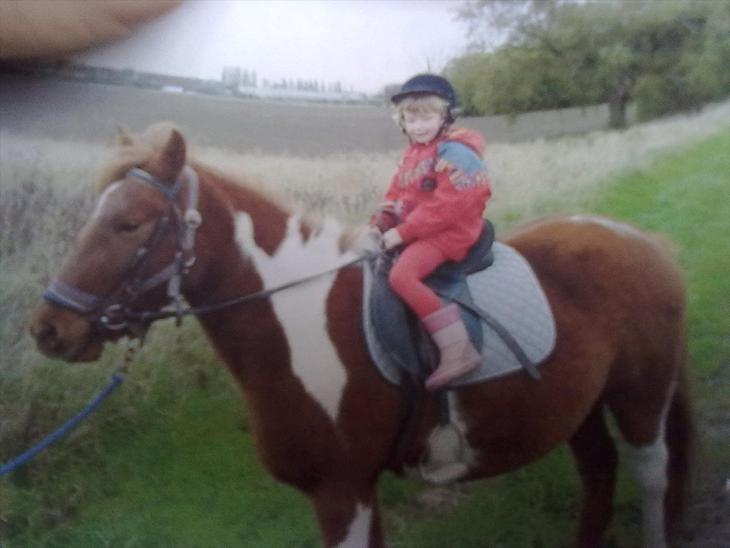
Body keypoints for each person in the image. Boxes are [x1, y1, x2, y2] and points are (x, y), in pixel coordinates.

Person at [371, 73, 492, 391]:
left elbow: (451, 205)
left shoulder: (456, 153)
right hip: (422, 230)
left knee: (402, 277)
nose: (419, 126)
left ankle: (458, 349)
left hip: (449, 233)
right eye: (411, 120)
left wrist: (404, 232)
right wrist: (383, 220)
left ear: (445, 117)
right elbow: (397, 191)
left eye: (427, 118)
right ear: (402, 122)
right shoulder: (413, 153)